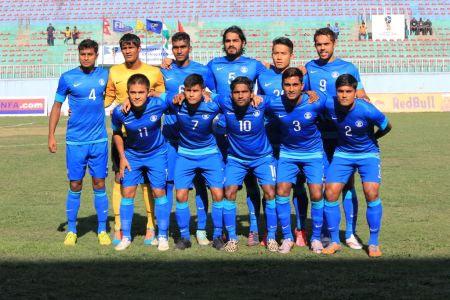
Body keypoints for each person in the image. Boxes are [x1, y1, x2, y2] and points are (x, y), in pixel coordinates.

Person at [304, 27, 369, 249]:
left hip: (344, 137)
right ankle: (324, 233)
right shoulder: (309, 68)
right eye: (318, 44)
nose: (322, 48)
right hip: (319, 137)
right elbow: (299, 92)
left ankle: (350, 233)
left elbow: (360, 94)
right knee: (322, 187)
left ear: (334, 44)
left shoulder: (348, 68)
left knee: (348, 186)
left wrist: (366, 102)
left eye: (326, 44)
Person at [207, 25, 267, 246]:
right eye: (227, 40)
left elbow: (272, 82)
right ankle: (220, 231)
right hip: (222, 132)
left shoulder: (253, 65)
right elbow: (204, 89)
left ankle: (253, 228)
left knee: (252, 182)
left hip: (246, 132)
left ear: (243, 43)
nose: (231, 44)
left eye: (235, 40)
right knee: (219, 184)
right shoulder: (213, 65)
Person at [48, 39, 110, 246]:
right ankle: (72, 230)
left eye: (89, 54)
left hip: (99, 140)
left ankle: (102, 229)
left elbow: (125, 81)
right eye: (82, 54)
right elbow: (57, 106)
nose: (86, 57)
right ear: (79, 54)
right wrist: (51, 135)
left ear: (96, 55)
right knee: (75, 184)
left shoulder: (105, 74)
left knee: (99, 183)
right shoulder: (67, 78)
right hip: (75, 142)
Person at [105, 33, 165, 246]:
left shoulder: (153, 72)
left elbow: (161, 95)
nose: (128, 51)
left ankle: (150, 225)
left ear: (139, 48)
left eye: (131, 47)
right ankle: (120, 226)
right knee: (120, 178)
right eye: (124, 48)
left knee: (149, 183)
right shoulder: (114, 71)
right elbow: (108, 98)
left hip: (148, 137)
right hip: (123, 135)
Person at [322, 74, 392, 257]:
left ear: (355, 92)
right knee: (330, 192)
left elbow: (387, 125)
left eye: (348, 91)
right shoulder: (329, 104)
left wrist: (373, 139)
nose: (344, 95)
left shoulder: (367, 109)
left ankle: (374, 243)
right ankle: (335, 241)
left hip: (368, 154)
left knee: (371, 192)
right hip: (343, 154)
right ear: (335, 92)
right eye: (340, 91)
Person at [161, 32, 216, 246]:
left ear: (189, 47)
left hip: (198, 139)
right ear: (172, 49)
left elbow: (216, 95)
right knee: (169, 185)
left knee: (200, 185)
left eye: (183, 46)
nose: (179, 50)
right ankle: (165, 232)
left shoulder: (203, 70)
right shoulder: (164, 70)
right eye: (175, 47)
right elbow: (158, 96)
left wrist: (208, 95)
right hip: (171, 139)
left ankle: (201, 229)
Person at [264, 68, 327, 254]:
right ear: (282, 86)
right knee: (281, 192)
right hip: (288, 154)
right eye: (287, 85)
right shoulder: (274, 103)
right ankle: (287, 238)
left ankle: (315, 238)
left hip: (313, 154)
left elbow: (337, 105)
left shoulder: (316, 101)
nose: (291, 89)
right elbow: (255, 101)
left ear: (302, 86)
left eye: (295, 85)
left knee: (316, 194)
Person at [257, 37, 312, 247]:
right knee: (269, 187)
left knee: (298, 187)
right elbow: (259, 102)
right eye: (275, 53)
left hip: (295, 142)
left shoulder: (301, 76)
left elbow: (307, 97)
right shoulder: (263, 76)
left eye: (283, 53)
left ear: (291, 55)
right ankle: (270, 231)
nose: (279, 57)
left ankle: (300, 229)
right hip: (270, 141)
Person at [216, 76, 277, 252]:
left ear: (252, 93)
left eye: (244, 92)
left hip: (262, 158)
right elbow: (204, 94)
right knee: (229, 192)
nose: (240, 95)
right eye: (236, 92)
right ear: (231, 94)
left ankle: (271, 237)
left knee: (270, 192)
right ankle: (232, 238)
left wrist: (310, 93)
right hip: (236, 159)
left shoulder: (262, 103)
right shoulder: (224, 102)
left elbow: (287, 98)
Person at [111, 74, 171, 251]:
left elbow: (176, 98)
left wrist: (158, 94)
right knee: (127, 192)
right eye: (133, 92)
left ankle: (162, 236)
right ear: (127, 93)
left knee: (159, 192)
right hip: (132, 156)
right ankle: (126, 237)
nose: (137, 96)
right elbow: (116, 133)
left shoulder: (158, 104)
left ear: (148, 92)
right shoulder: (119, 112)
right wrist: (122, 157)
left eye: (141, 92)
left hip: (157, 154)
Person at [167, 74, 225, 251]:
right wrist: (174, 97)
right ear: (184, 91)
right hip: (185, 155)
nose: (191, 94)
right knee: (181, 195)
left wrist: (211, 95)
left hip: (210, 154)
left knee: (217, 194)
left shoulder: (212, 105)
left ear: (202, 91)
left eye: (195, 91)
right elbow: (157, 96)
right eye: (188, 91)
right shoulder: (177, 104)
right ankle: (184, 237)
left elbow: (229, 99)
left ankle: (217, 236)